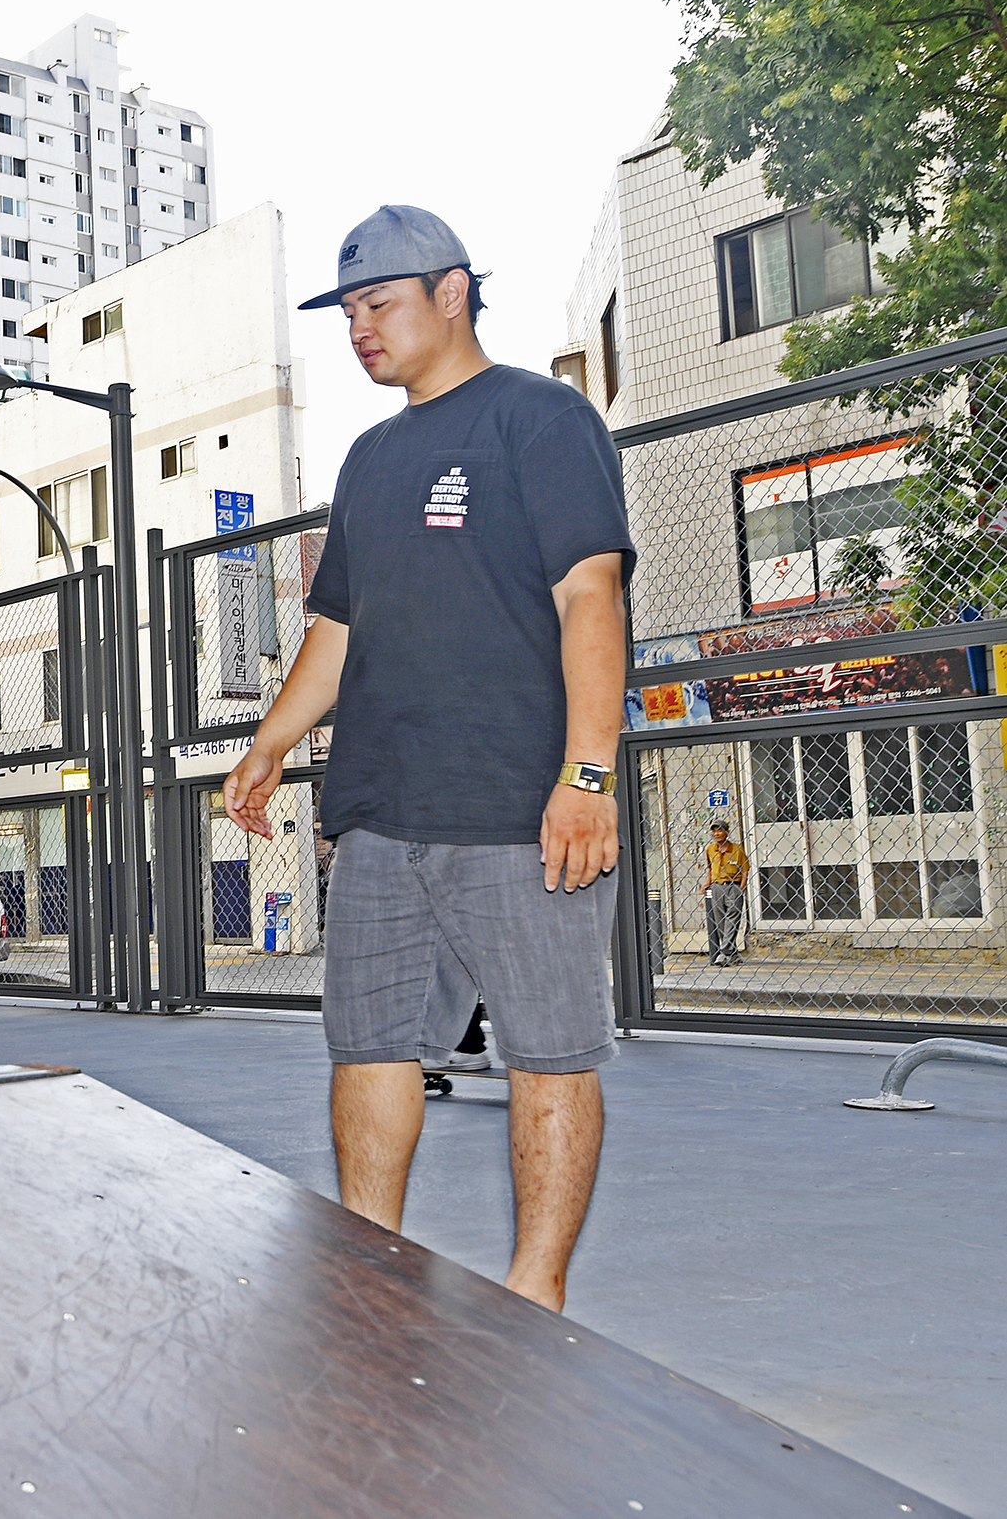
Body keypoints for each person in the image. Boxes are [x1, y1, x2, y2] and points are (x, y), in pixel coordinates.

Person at [224, 206, 632, 1312]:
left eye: (379, 304)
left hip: (521, 807)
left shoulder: (539, 420)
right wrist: (270, 745)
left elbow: (589, 593)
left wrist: (585, 775)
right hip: (382, 810)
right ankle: (370, 1279)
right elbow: (337, 630)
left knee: (549, 1053)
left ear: (451, 292)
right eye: (348, 311)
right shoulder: (369, 457)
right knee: (368, 1046)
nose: (359, 329)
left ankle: (534, 1295)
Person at [703, 820, 748, 967]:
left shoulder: (737, 849)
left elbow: (745, 869)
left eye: (720, 830)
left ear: (727, 832)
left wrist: (741, 887)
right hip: (717, 887)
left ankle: (723, 953)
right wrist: (708, 883)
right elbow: (710, 868)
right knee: (720, 921)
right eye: (714, 831)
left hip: (733, 886)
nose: (716, 834)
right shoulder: (710, 849)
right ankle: (733, 955)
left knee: (732, 919)